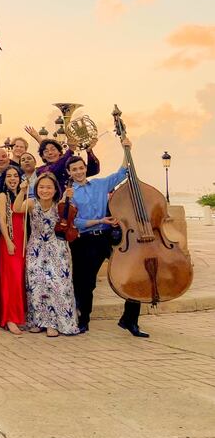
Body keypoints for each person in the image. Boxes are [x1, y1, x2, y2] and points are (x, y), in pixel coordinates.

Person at [66, 140, 147, 337]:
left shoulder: (100, 184)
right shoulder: (69, 193)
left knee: (132, 274)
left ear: (86, 168)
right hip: (84, 241)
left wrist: (127, 149)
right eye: (74, 169)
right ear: (69, 172)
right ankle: (83, 320)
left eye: (81, 168)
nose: (78, 172)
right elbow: (73, 222)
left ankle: (129, 320)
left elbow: (122, 173)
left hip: (107, 238)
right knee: (85, 284)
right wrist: (99, 220)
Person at [14, 172, 79, 337]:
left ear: (55, 189)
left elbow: (72, 217)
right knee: (37, 284)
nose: (45, 190)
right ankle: (38, 322)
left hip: (57, 248)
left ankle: (54, 324)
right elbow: (16, 208)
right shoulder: (31, 203)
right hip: (36, 248)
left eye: (49, 187)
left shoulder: (60, 205)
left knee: (58, 285)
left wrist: (68, 197)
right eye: (41, 187)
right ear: (36, 188)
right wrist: (22, 191)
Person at [0, 166, 26, 334]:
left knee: (20, 280)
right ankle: (9, 318)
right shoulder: (2, 196)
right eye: (9, 176)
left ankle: (19, 316)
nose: (12, 179)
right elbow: (2, 219)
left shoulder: (24, 196)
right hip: (10, 240)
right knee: (10, 280)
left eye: (15, 176)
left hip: (24, 241)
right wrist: (8, 241)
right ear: (4, 180)